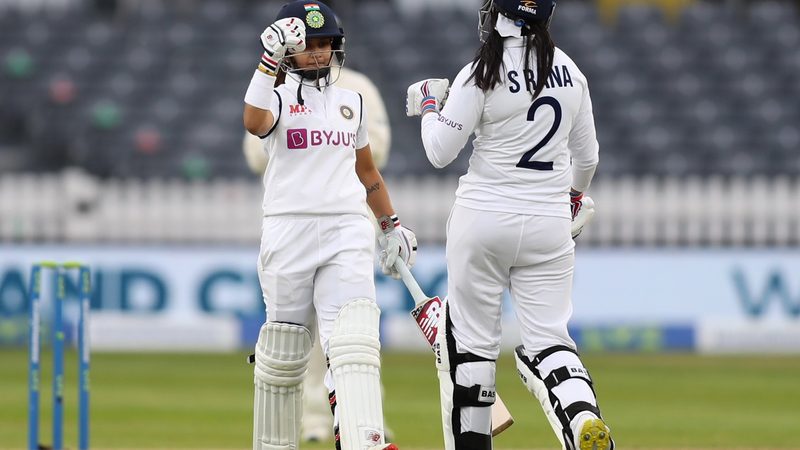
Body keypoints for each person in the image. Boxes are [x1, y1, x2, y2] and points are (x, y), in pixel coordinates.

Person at [405, 1, 614, 449]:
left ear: (499, 16)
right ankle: (582, 417)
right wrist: (572, 199)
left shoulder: (480, 73)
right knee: (551, 342)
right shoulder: (570, 71)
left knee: (473, 348)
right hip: (548, 224)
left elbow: (439, 151)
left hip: (483, 220)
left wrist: (428, 106)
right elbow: (588, 159)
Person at [242, 2, 415, 449]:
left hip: (346, 228)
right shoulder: (276, 97)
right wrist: (267, 62)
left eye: (326, 44)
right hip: (288, 229)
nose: (319, 53)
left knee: (354, 344)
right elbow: (253, 122)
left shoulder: (352, 102)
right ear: (289, 51)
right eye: (310, 45)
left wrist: (390, 225)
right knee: (283, 354)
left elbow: (367, 172)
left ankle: (363, 440)